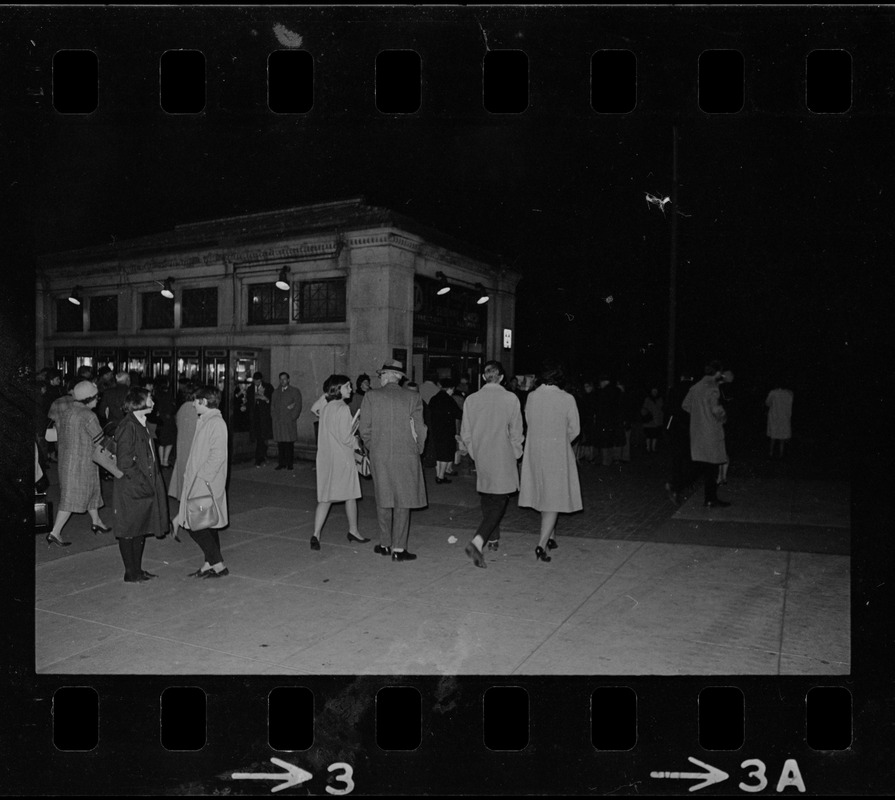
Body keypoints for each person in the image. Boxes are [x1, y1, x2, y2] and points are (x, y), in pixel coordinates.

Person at [358, 359, 427, 562]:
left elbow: (364, 429)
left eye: (382, 375)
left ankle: (384, 544)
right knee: (403, 501)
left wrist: (373, 447)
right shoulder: (413, 397)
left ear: (390, 375)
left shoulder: (371, 396)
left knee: (383, 498)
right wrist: (417, 449)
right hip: (406, 454)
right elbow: (420, 429)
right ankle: (399, 548)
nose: (380, 378)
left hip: (379, 454)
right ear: (399, 377)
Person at [459, 360, 524, 568]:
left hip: (482, 453)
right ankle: (478, 541)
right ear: (502, 377)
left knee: (487, 494)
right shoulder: (511, 398)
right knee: (500, 500)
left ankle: (493, 537)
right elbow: (516, 431)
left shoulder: (471, 399)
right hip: (503, 453)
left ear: (484, 377)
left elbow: (466, 432)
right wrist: (516, 452)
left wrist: (474, 452)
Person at [518, 362, 583, 562]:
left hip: (535, 451)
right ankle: (541, 544)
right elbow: (575, 429)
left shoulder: (532, 396)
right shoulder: (567, 398)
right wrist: (561, 440)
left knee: (543, 492)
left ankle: (551, 537)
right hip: (557, 452)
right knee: (553, 497)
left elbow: (529, 421)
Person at [111, 388, 170, 582]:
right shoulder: (129, 426)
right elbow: (125, 462)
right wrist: (144, 482)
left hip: (142, 485)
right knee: (129, 530)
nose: (153, 401)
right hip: (132, 488)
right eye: (150, 398)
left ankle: (137, 570)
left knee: (140, 528)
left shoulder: (141, 422)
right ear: (139, 402)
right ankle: (131, 572)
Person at [172, 386, 231, 578]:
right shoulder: (206, 420)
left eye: (195, 401)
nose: (192, 404)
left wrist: (201, 477)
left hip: (205, 483)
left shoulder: (215, 423)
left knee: (195, 525)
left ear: (204, 402)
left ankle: (218, 565)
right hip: (201, 481)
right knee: (207, 523)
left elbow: (217, 455)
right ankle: (209, 563)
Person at [45, 381, 111, 546]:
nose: (98, 399)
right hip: (82, 463)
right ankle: (55, 532)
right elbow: (99, 440)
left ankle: (97, 521)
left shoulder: (67, 412)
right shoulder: (88, 415)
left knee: (91, 491)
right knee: (71, 498)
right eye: (96, 396)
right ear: (89, 398)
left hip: (66, 460)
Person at [310, 375, 370, 550]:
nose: (351, 389)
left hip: (326, 458)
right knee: (350, 494)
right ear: (338, 388)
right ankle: (353, 530)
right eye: (347, 386)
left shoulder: (326, 406)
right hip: (342, 459)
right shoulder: (343, 408)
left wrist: (327, 394)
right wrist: (357, 442)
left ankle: (316, 534)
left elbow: (314, 408)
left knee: (326, 497)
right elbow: (346, 438)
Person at [681, 360, 731, 508]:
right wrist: (724, 417)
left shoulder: (695, 387)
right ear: (717, 372)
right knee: (711, 467)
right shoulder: (712, 388)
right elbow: (716, 410)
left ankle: (708, 497)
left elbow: (685, 405)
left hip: (698, 431)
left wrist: (699, 415)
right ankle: (710, 498)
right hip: (711, 432)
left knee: (704, 465)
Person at [664, 370, 695, 506]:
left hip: (675, 428)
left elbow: (668, 409)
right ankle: (686, 483)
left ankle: (675, 486)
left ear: (681, 377)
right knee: (689, 459)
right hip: (690, 428)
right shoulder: (693, 389)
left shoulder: (674, 390)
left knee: (676, 459)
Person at [168, 382, 199, 502]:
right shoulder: (194, 409)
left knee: (182, 470)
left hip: (182, 444)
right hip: (192, 445)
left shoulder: (182, 408)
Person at [428, 378, 462, 483]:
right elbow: (458, 414)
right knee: (445, 454)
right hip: (446, 430)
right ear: (450, 388)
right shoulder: (449, 400)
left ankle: (438, 474)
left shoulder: (433, 398)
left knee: (438, 453)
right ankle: (441, 476)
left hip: (434, 429)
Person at [271, 371, 303, 471]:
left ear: (288, 380)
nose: (282, 381)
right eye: (281, 379)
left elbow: (298, 405)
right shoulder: (276, 392)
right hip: (279, 421)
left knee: (289, 443)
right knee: (280, 443)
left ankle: (289, 463)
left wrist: (292, 417)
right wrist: (274, 417)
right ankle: (281, 463)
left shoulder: (294, 391)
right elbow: (272, 406)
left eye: (284, 379)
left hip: (288, 421)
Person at [594, 374, 625, 466]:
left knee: (605, 442)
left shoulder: (602, 392)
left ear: (603, 382)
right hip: (616, 421)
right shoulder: (618, 391)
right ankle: (616, 459)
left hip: (605, 421)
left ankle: (606, 461)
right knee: (615, 441)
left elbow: (600, 409)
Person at [245, 371, 274, 466]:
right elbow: (248, 402)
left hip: (264, 416)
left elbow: (272, 400)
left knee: (262, 437)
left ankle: (259, 457)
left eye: (258, 381)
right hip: (255, 417)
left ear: (261, 380)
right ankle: (261, 456)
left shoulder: (268, 387)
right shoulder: (250, 389)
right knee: (258, 437)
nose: (257, 383)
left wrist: (265, 399)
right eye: (255, 381)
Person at [153, 375, 177, 468]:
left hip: (159, 421)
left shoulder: (155, 395)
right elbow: (173, 408)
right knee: (169, 440)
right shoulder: (169, 395)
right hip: (168, 421)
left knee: (161, 441)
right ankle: (165, 461)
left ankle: (160, 461)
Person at [766, 381, 794, 459]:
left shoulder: (773, 393)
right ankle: (781, 454)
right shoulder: (789, 393)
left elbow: (767, 403)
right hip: (784, 417)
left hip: (774, 416)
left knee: (773, 436)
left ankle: (771, 453)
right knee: (782, 436)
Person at [640, 386, 665, 453]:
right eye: (653, 391)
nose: (654, 392)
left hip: (657, 421)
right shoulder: (647, 399)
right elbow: (644, 408)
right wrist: (647, 415)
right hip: (649, 420)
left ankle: (653, 448)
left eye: (656, 391)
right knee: (648, 435)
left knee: (655, 435)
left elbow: (661, 408)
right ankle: (648, 447)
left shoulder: (660, 399)